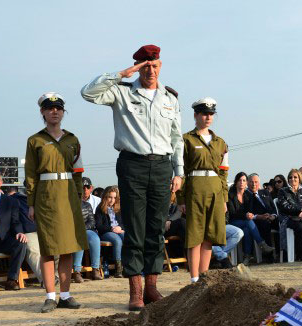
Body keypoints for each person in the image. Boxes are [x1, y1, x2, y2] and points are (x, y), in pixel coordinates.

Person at [81, 44, 183, 311]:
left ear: (161, 66)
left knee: (156, 227)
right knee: (135, 227)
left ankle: (151, 286)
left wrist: (179, 171)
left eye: (155, 65)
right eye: (145, 65)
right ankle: (135, 289)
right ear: (138, 67)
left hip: (162, 166)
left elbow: (176, 138)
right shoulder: (122, 92)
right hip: (132, 165)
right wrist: (120, 74)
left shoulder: (170, 97)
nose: (151, 70)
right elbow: (87, 93)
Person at [25, 93, 88, 313]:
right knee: (48, 248)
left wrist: (79, 195)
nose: (54, 111)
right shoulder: (35, 141)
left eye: (58, 108)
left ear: (63, 112)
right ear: (42, 112)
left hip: (69, 195)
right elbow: (30, 174)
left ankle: (66, 295)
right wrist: (31, 203)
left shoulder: (73, 139)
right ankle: (50, 296)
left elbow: (79, 171)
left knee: (68, 247)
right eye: (49, 108)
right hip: (46, 197)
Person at [176, 98, 229, 283]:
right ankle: (194, 279)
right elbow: (179, 171)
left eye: (211, 114)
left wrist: (224, 199)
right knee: (194, 236)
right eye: (204, 114)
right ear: (195, 115)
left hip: (215, 189)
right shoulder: (186, 139)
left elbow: (224, 173)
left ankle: (204, 277)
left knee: (209, 236)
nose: (208, 117)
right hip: (194, 188)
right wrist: (180, 199)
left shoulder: (220, 142)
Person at [228, 172, 274, 265]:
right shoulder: (231, 195)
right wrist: (245, 215)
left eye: (243, 180)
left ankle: (247, 256)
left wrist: (249, 215)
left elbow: (250, 211)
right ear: (236, 182)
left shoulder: (248, 195)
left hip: (245, 222)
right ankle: (262, 244)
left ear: (246, 183)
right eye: (239, 180)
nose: (241, 182)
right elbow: (232, 213)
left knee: (247, 230)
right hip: (233, 222)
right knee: (248, 222)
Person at [277, 169, 302, 261]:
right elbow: (285, 207)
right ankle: (301, 254)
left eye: (295, 177)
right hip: (288, 217)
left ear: (299, 179)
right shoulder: (283, 191)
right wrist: (299, 211)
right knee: (300, 227)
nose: (293, 179)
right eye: (290, 177)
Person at [7, 187, 44, 285]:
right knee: (33, 250)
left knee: (58, 249)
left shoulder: (44, 197)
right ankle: (45, 278)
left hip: (45, 231)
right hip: (28, 232)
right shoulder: (16, 199)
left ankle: (56, 276)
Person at [95, 186, 125, 278]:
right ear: (105, 197)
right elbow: (99, 226)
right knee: (117, 240)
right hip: (106, 232)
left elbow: (124, 222)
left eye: (114, 197)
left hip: (118, 231)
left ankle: (127, 265)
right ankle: (118, 269)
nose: (112, 200)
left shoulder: (118, 208)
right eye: (110, 197)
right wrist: (112, 229)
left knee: (127, 238)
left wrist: (120, 227)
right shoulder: (100, 209)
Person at [72, 198, 103, 283]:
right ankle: (77, 272)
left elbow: (92, 221)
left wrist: (83, 228)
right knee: (80, 238)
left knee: (95, 239)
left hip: (87, 229)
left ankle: (95, 269)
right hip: (73, 230)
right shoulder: (67, 204)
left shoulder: (87, 205)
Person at [248, 173, 277, 249]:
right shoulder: (245, 196)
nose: (254, 184)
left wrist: (273, 216)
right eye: (251, 182)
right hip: (258, 220)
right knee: (265, 224)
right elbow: (248, 213)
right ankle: (268, 255)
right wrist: (260, 217)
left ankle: (282, 253)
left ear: (259, 183)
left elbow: (274, 208)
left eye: (256, 182)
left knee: (284, 224)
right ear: (247, 183)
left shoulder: (265, 192)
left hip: (271, 218)